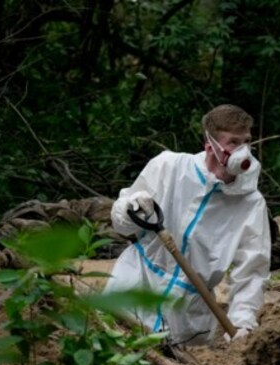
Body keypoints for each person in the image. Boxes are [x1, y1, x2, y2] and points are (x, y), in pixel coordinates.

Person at [104, 104, 270, 345]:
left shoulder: (251, 203)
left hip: (187, 317)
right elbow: (122, 226)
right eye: (234, 143)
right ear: (210, 145)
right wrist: (131, 209)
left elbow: (252, 270)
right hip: (134, 286)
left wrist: (243, 321)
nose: (243, 152)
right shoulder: (169, 167)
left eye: (247, 141)